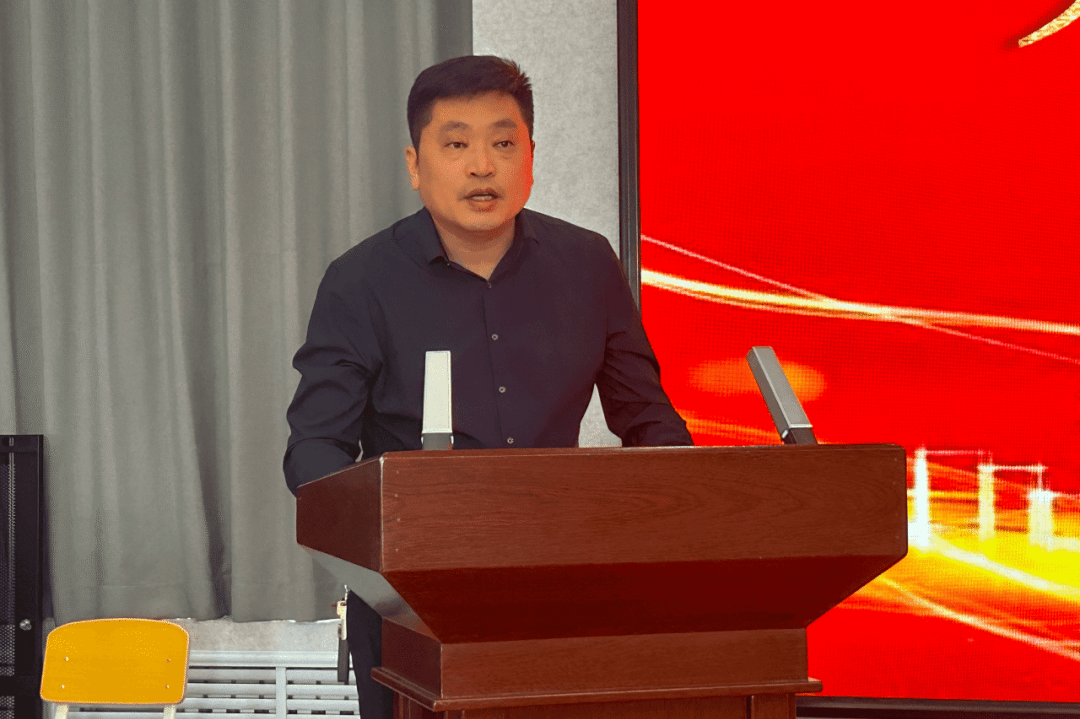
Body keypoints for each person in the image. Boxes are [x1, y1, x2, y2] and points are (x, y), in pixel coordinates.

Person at [283, 55, 692, 719]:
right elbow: (314, 449)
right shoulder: (359, 281)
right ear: (415, 164)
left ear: (530, 157)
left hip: (563, 590)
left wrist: (687, 526)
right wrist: (380, 555)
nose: (482, 166)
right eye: (456, 145)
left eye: (503, 143)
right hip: (409, 606)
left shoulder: (587, 264)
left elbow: (650, 421)